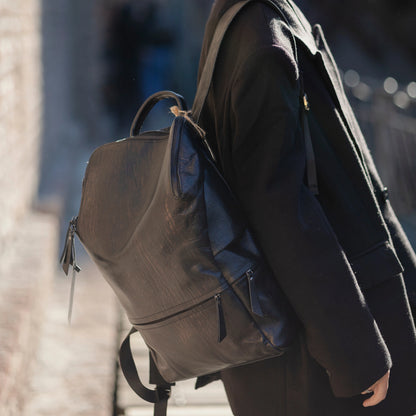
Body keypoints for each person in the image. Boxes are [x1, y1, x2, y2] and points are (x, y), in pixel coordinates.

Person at [196, 0, 416, 415]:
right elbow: (280, 213)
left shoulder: (260, 17)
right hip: (310, 355)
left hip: (313, 333)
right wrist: (354, 351)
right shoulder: (262, 39)